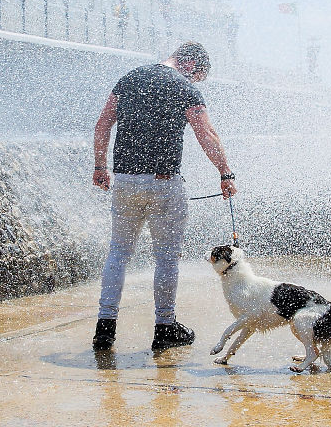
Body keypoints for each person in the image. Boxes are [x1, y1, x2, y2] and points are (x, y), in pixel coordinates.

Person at [91, 41, 237, 352]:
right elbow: (206, 134)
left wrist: (100, 166)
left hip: (125, 181)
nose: (195, 81)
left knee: (118, 252)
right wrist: (225, 173)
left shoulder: (129, 79)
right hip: (163, 183)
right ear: (192, 65)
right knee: (167, 258)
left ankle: (104, 329)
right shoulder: (185, 87)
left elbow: (103, 124)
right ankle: (165, 327)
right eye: (197, 76)